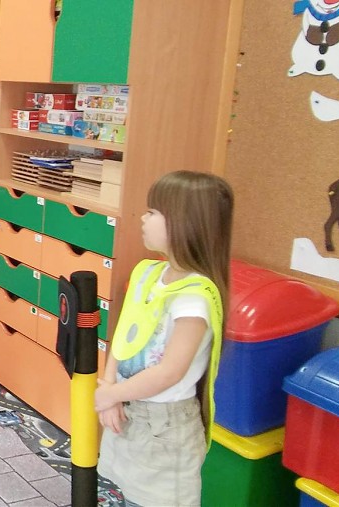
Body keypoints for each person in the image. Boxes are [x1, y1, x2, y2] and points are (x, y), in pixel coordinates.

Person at [95, 171, 233, 507]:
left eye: (153, 212)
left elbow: (169, 372)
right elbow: (124, 334)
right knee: (125, 493)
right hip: (129, 407)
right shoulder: (150, 274)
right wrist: (109, 388)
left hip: (165, 427)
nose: (143, 218)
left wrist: (112, 393)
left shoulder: (194, 297)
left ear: (184, 223)